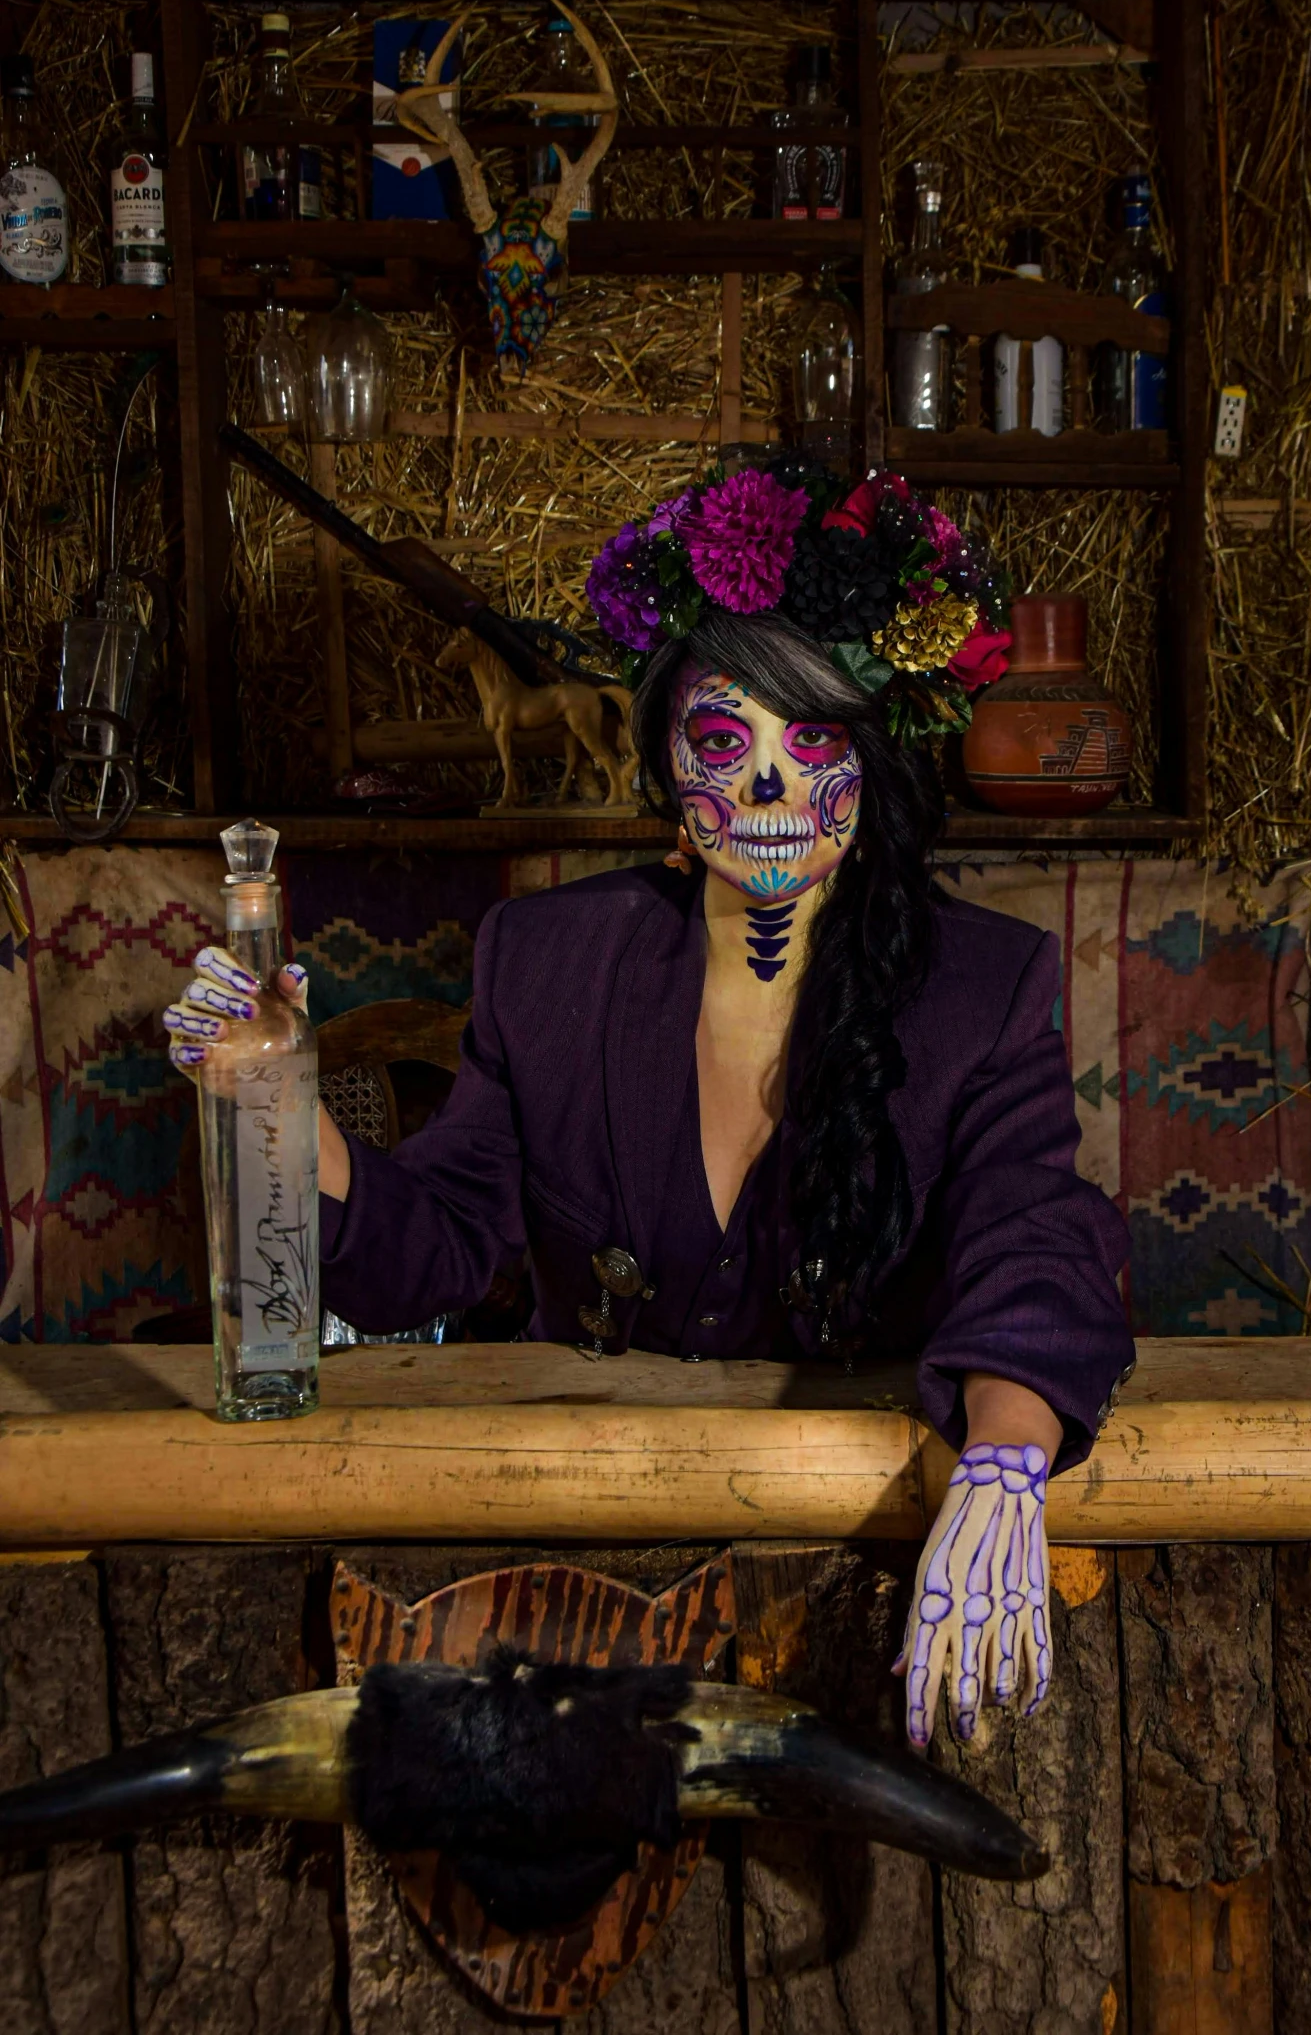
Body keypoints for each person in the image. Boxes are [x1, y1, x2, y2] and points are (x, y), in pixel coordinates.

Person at [163, 457, 1134, 1749]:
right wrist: (287, 1119)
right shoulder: (550, 962)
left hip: (854, 1611)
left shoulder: (981, 988)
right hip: (576, 1612)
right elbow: (441, 1245)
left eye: (814, 740)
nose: (773, 786)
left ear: (872, 770)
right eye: (728, 741)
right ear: (668, 778)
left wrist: (1006, 1457)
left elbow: (1041, 1234)